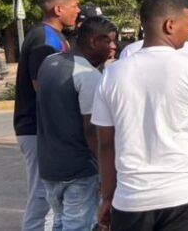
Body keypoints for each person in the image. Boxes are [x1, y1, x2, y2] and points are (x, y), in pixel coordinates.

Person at [91, 0, 188, 230]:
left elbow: (106, 144)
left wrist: (107, 197)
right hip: (185, 194)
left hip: (130, 199)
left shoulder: (111, 75)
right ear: (170, 25)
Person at [36, 16, 118, 231]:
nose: (113, 47)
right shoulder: (87, 75)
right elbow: (92, 130)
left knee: (59, 221)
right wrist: (105, 169)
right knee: (78, 225)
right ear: (94, 42)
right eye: (109, 41)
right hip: (79, 170)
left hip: (49, 166)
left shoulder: (49, 62)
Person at [15, 0, 82, 231]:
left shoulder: (56, 36)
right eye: (74, 5)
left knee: (51, 196)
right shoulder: (45, 40)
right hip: (37, 129)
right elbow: (44, 89)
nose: (78, 10)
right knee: (42, 193)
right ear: (58, 9)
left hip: (46, 130)